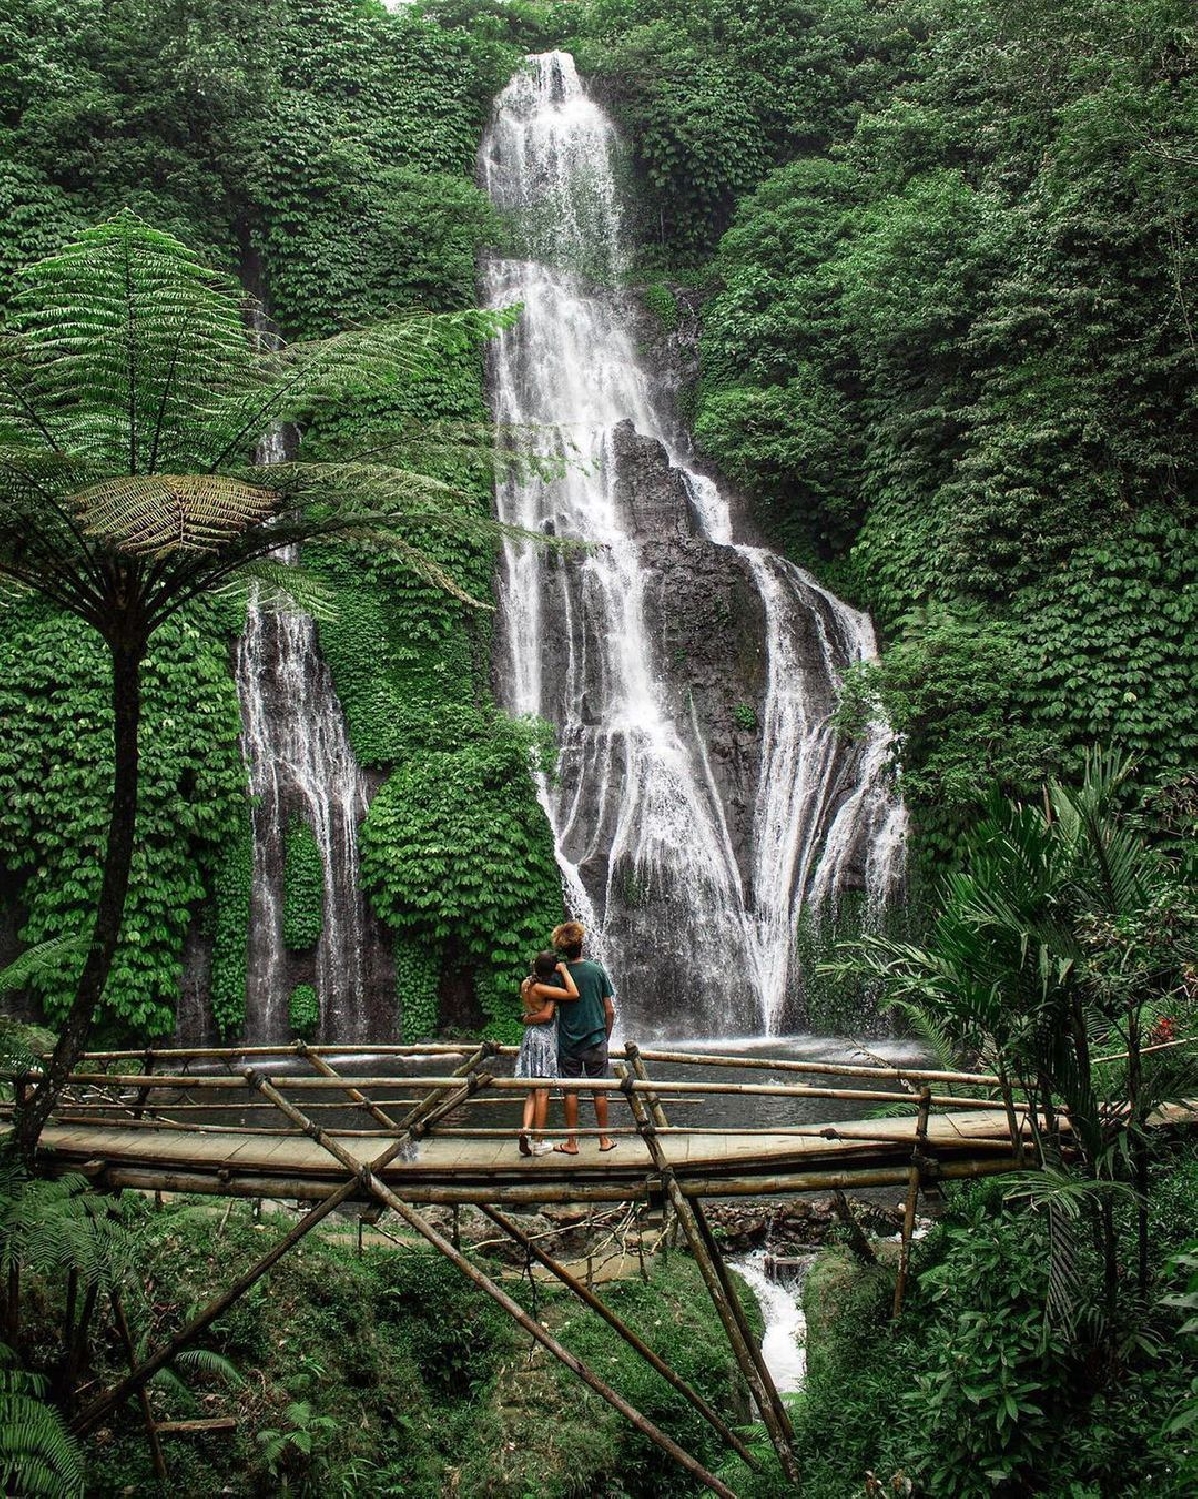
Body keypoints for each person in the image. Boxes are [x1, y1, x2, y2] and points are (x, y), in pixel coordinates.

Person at [550, 920, 616, 1154]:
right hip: (596, 1039)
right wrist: (605, 1036)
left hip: (569, 1042)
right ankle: (604, 1140)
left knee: (570, 1091)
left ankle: (571, 1142)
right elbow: (610, 1010)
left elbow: (550, 1009)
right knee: (599, 1090)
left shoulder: (559, 975)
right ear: (582, 944)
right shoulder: (597, 971)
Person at [516, 951, 577, 1157]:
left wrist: (526, 1019)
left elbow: (534, 1014)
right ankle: (538, 1141)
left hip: (529, 1037)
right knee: (543, 1092)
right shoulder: (543, 989)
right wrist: (564, 970)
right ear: (551, 970)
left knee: (532, 1091)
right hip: (544, 1040)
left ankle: (526, 1131)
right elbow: (572, 994)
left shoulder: (526, 983)